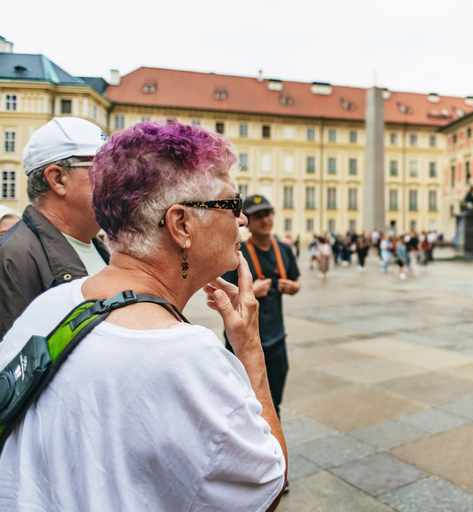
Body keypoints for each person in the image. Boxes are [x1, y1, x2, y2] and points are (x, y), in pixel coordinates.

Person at [0, 120, 287, 510]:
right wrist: (250, 350)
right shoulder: (185, 357)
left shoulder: (51, 305)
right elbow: (265, 486)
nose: (241, 220)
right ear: (181, 224)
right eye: (231, 203)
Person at [0, 118, 110, 339]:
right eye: (104, 170)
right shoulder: (12, 258)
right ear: (58, 179)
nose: (116, 181)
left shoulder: (98, 248)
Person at [222, 194, 300, 421]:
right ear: (247, 220)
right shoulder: (237, 252)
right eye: (257, 216)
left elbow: (297, 281)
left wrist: (294, 287)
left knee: (274, 404)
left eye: (267, 214)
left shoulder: (284, 250)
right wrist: (250, 290)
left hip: (276, 340)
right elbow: (222, 294)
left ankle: (273, 447)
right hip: (242, 343)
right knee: (243, 405)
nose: (264, 220)